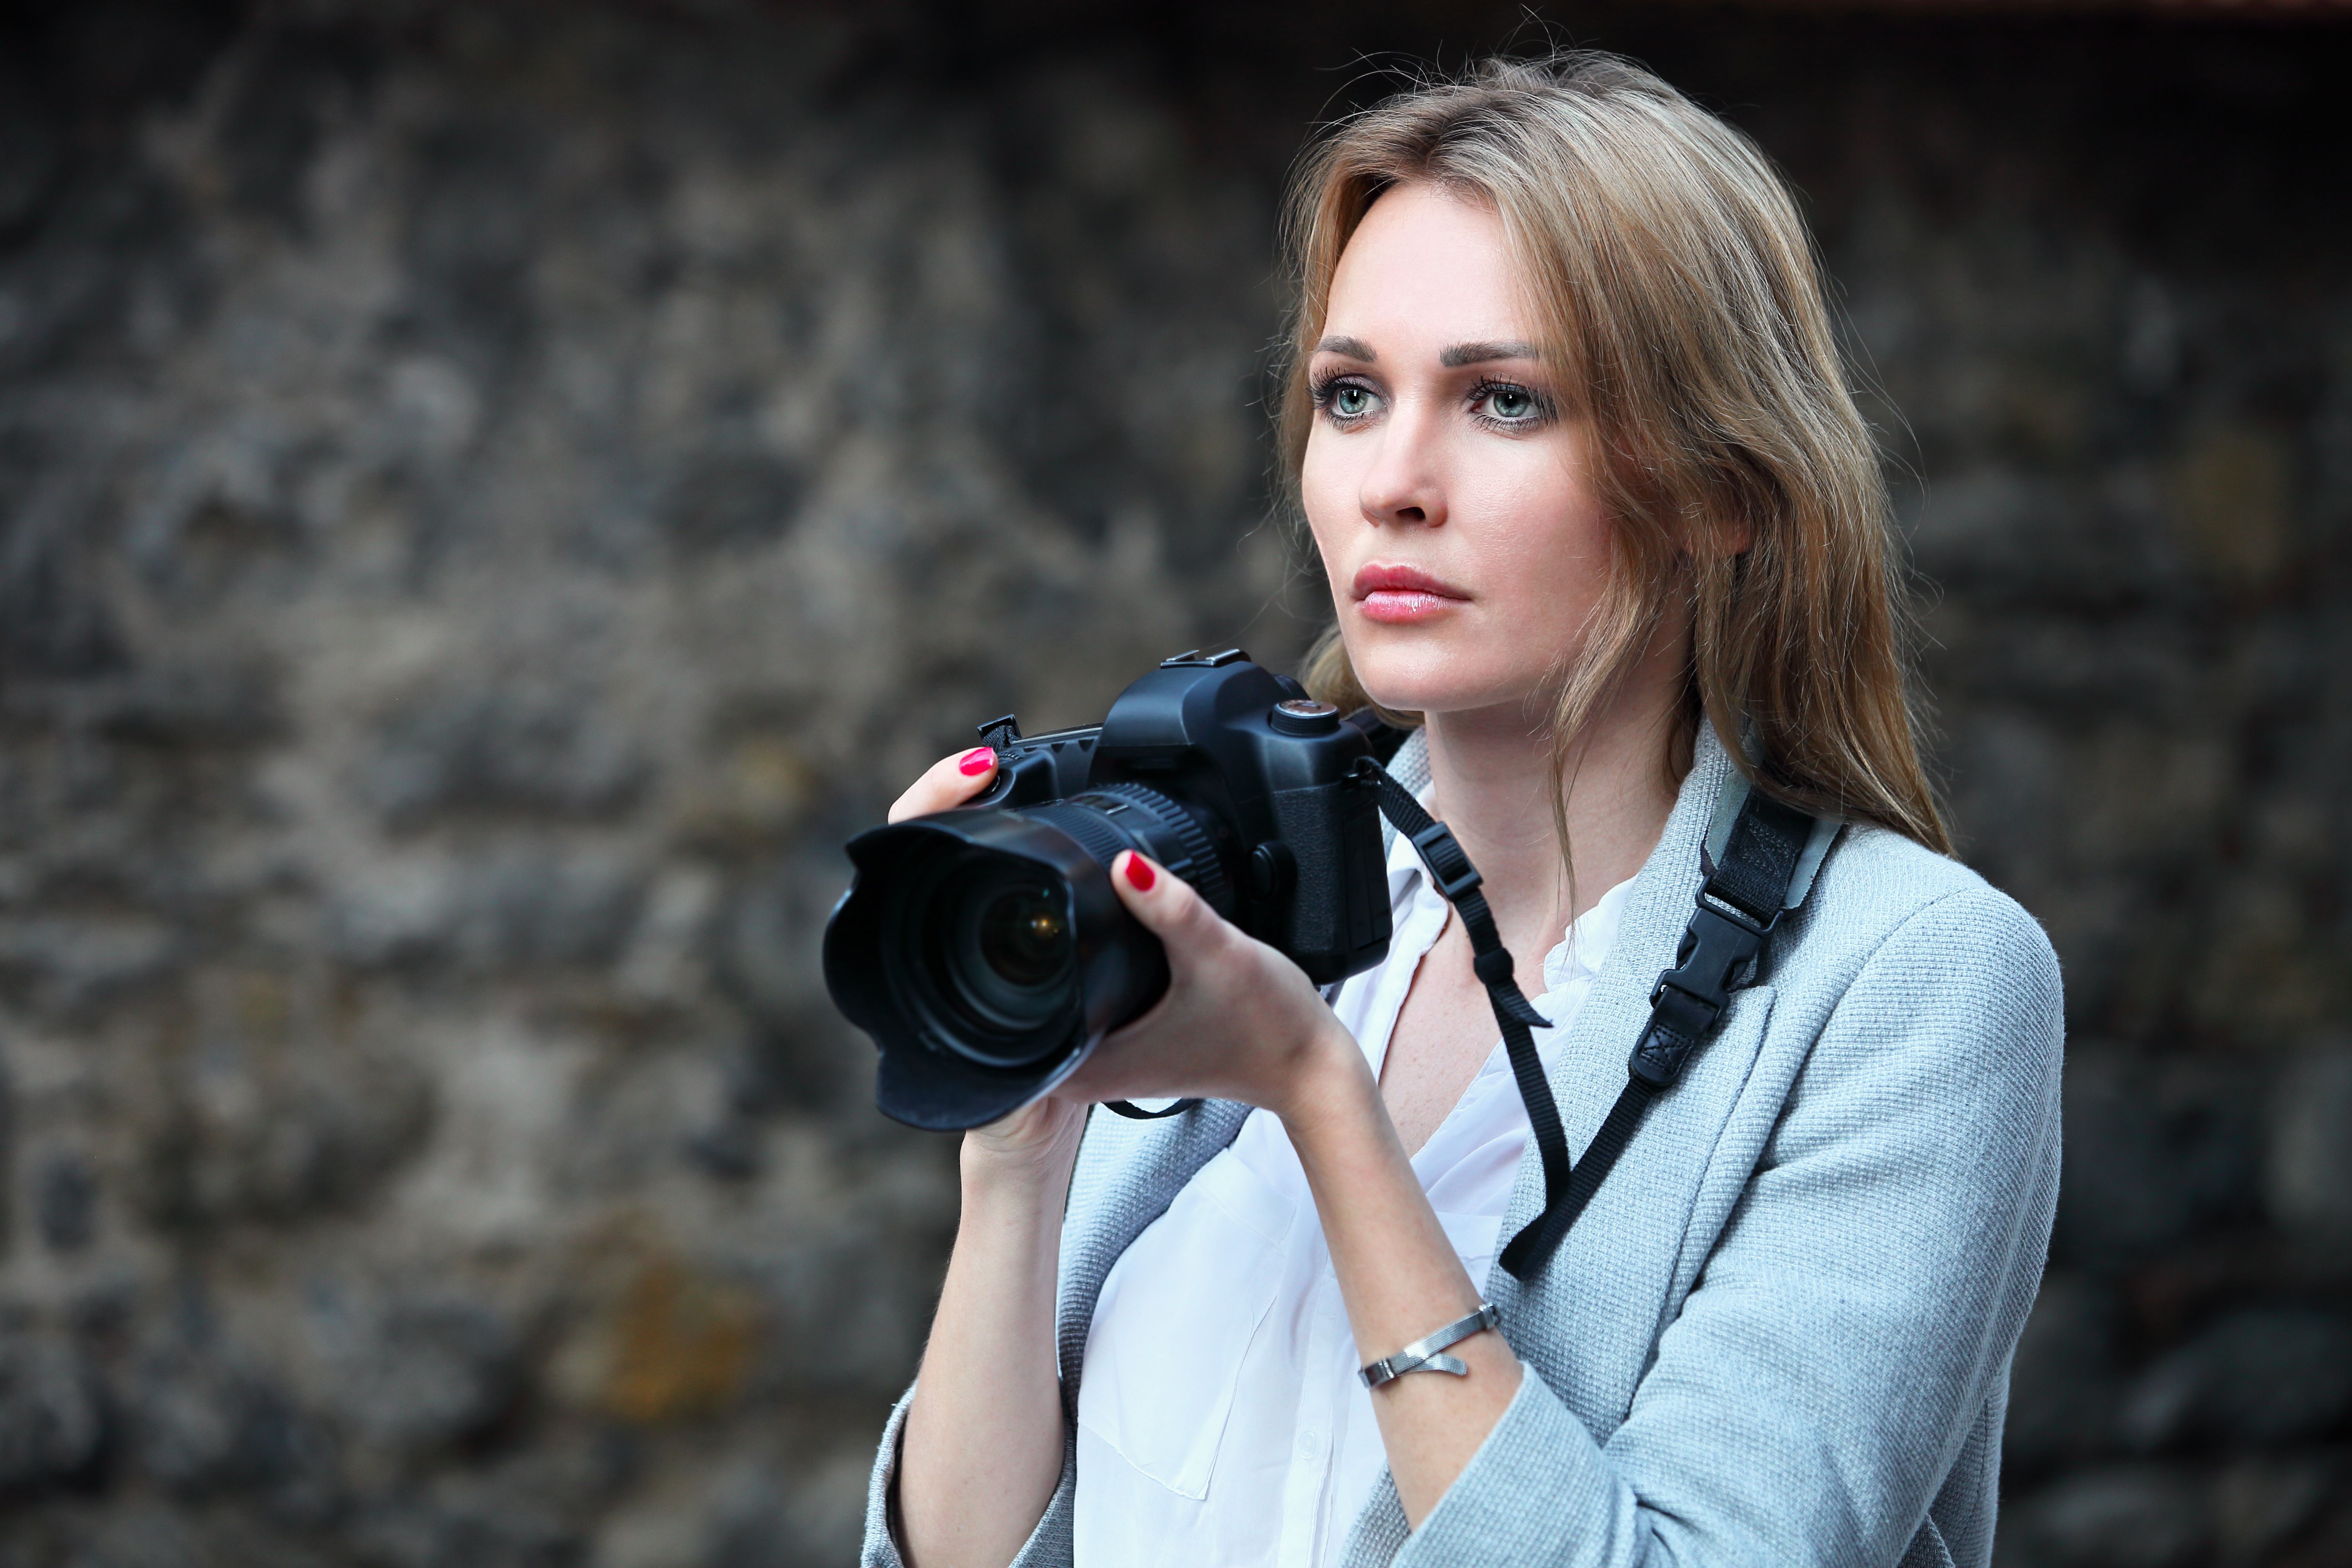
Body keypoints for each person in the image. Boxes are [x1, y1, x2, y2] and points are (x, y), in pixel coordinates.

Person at [861, 52, 2061, 1568]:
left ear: (1721, 489)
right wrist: (1015, 1145)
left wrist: (1318, 1097)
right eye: (1350, 395)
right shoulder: (1219, 881)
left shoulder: (1908, 987)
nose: (1392, 482)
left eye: (1505, 401)